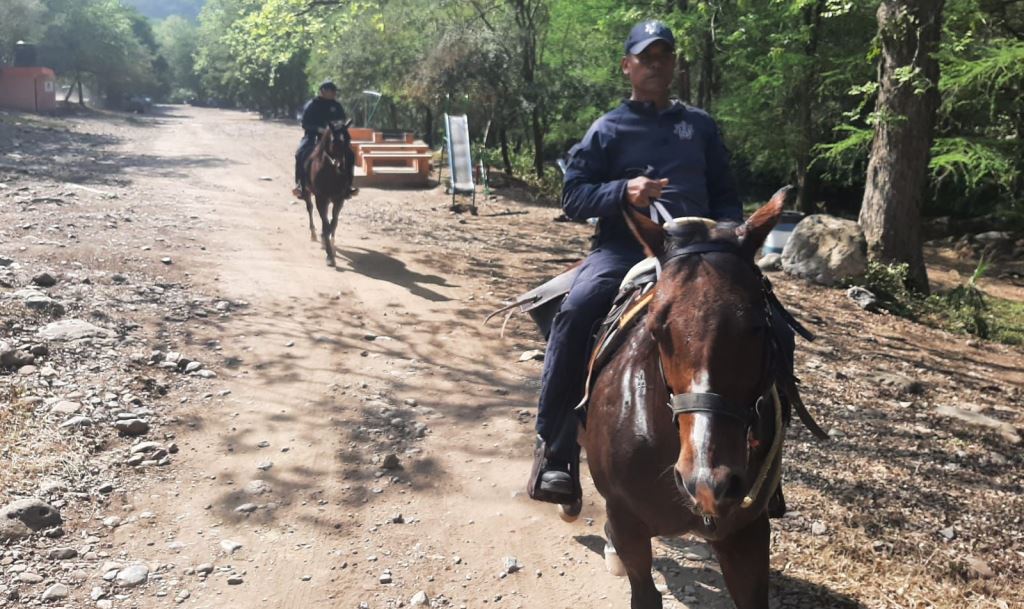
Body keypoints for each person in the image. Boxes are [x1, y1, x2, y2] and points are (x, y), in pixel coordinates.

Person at [531, 20, 746, 501]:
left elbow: (728, 197)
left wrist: (732, 234)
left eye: (663, 56)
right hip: (625, 248)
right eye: (645, 57)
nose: (654, 64)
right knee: (577, 310)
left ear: (673, 65)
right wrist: (620, 191)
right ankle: (556, 448)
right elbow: (573, 197)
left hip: (699, 251)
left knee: (766, 317)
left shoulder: (701, 126)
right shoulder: (607, 129)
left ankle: (764, 456)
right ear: (627, 66)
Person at [293, 80, 357, 198]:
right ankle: (300, 185)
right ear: (323, 91)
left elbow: (341, 120)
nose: (334, 93)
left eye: (334, 91)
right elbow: (305, 124)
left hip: (334, 137)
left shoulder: (336, 105)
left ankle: (348, 186)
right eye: (331, 91)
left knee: (350, 154)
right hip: (314, 136)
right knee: (300, 153)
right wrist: (320, 129)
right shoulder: (312, 105)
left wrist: (339, 127)